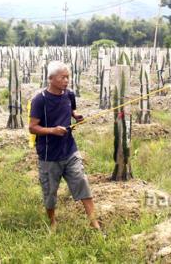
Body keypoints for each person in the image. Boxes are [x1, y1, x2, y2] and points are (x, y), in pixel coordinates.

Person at [29, 61, 100, 231]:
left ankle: (94, 224)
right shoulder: (40, 100)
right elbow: (32, 127)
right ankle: (53, 222)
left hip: (69, 150)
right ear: (51, 78)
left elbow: (71, 110)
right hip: (49, 155)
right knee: (50, 193)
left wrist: (76, 116)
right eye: (63, 77)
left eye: (68, 77)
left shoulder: (69, 95)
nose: (67, 80)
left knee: (82, 182)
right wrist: (53, 130)